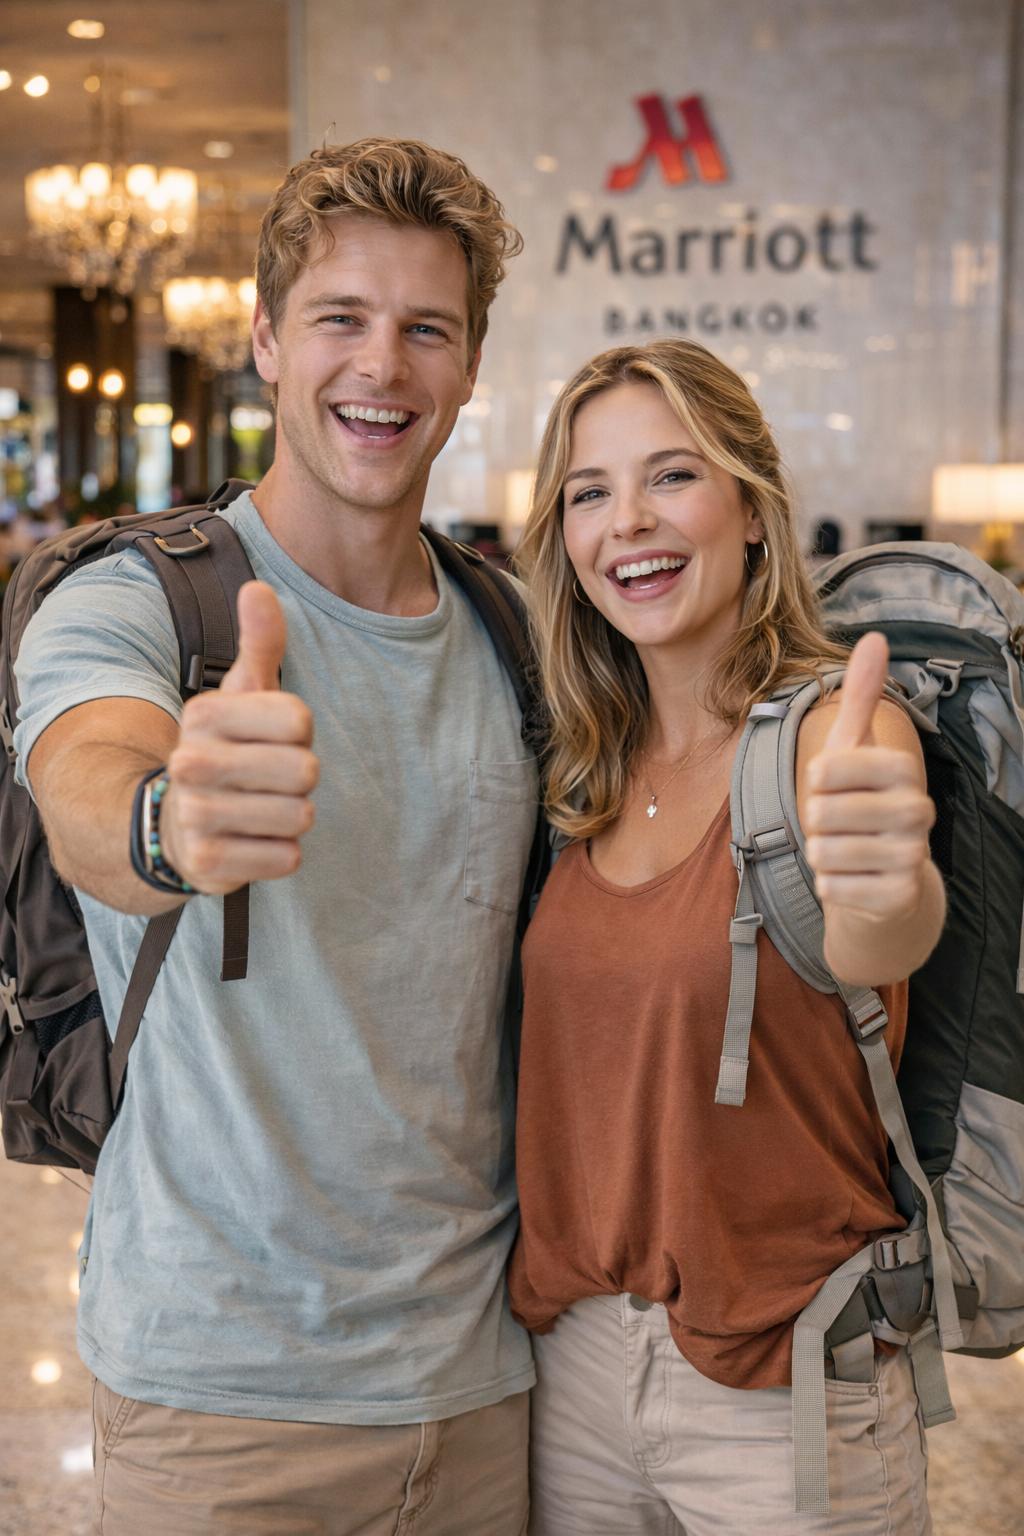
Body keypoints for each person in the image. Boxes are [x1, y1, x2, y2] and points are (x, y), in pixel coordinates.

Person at [14, 139, 536, 1535]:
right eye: (341, 320)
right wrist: (170, 821)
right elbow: (86, 783)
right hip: (218, 1405)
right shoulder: (141, 603)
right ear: (263, 341)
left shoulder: (519, 637)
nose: (384, 366)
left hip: (487, 1391)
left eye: (428, 328)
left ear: (471, 368)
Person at [509, 339, 945, 1534]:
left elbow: (879, 934)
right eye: (588, 492)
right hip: (576, 1362)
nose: (626, 523)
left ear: (751, 509)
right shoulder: (575, 771)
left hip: (789, 1381)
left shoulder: (833, 738)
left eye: (672, 477)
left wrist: (882, 871)